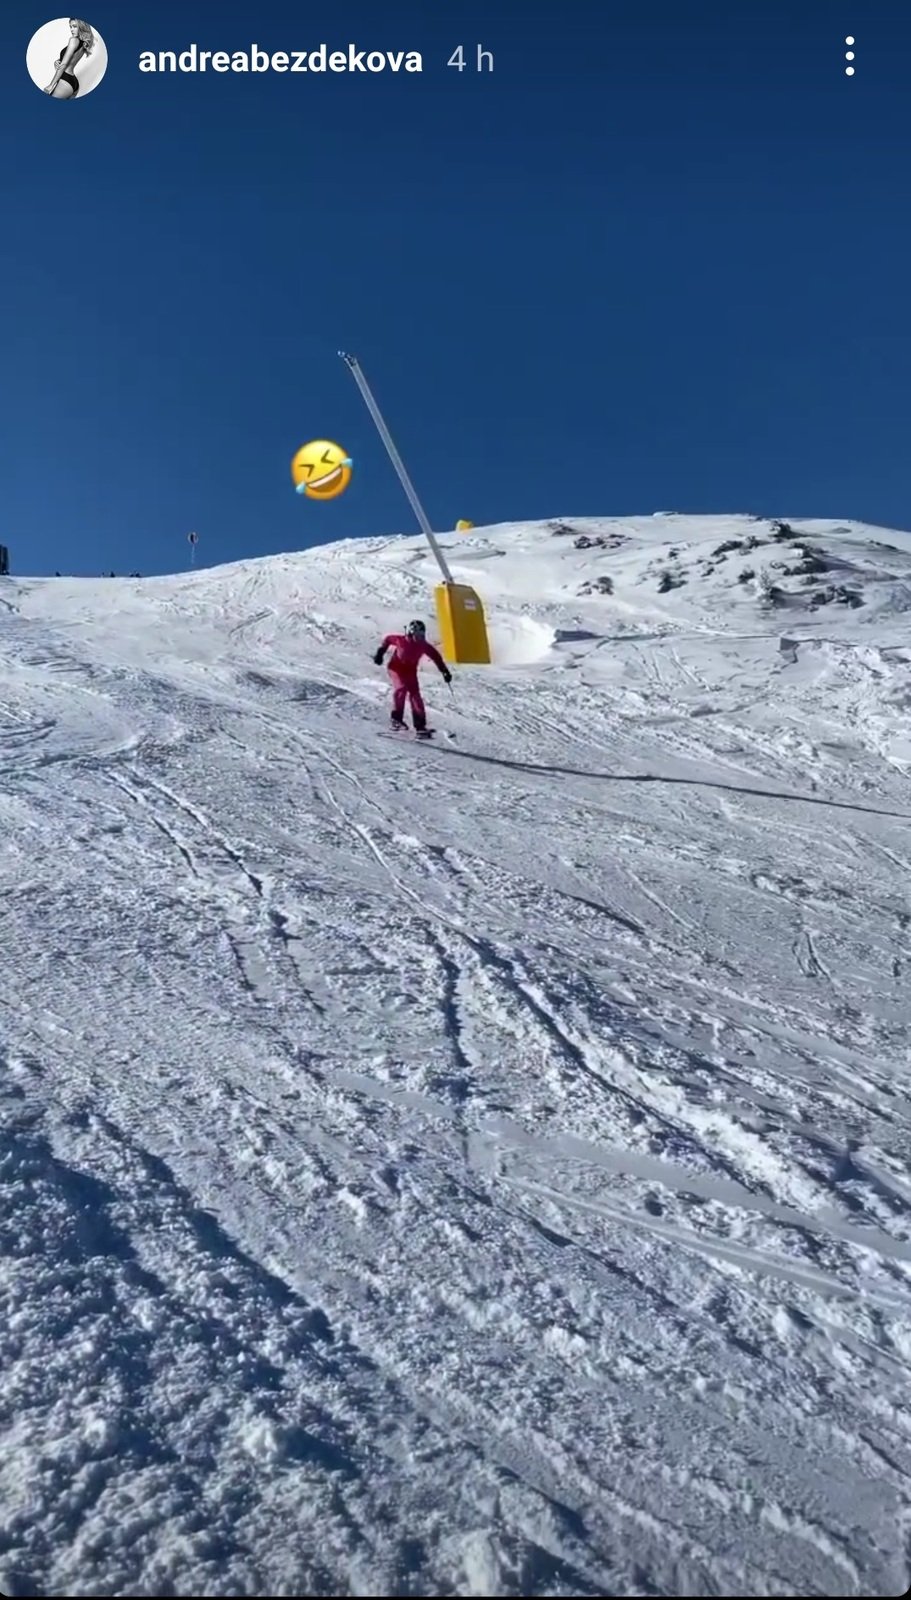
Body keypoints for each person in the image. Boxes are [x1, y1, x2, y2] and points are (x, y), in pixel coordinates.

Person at [373, 620, 451, 734]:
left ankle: (420, 725)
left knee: (415, 695)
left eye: (422, 635)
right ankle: (396, 719)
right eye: (418, 635)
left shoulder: (423, 645)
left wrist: (444, 671)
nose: (420, 638)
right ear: (411, 633)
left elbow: (436, 656)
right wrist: (380, 652)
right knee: (401, 688)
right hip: (396, 669)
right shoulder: (401, 641)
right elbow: (388, 639)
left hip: (410, 671)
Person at [44, 18, 95, 98]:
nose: (71, 29)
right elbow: (70, 59)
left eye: (74, 26)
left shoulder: (73, 40)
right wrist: (57, 61)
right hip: (74, 83)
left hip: (65, 80)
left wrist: (51, 85)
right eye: (70, 27)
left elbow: (64, 64)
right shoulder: (84, 43)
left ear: (81, 27)